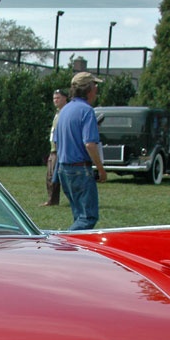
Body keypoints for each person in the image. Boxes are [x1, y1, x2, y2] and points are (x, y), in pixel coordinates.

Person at [54, 71, 107, 230]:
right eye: (95, 85)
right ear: (88, 89)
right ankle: (63, 244)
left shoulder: (64, 110)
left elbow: (56, 142)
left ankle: (73, 250)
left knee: (78, 215)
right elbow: (90, 144)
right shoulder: (87, 111)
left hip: (64, 169)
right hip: (80, 169)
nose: (96, 89)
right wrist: (101, 169)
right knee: (87, 218)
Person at [41, 88, 68, 206]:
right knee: (50, 175)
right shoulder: (58, 112)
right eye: (54, 98)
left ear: (65, 98)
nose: (55, 100)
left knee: (54, 176)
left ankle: (53, 200)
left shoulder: (66, 112)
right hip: (53, 149)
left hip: (59, 150)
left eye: (58, 98)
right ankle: (52, 199)